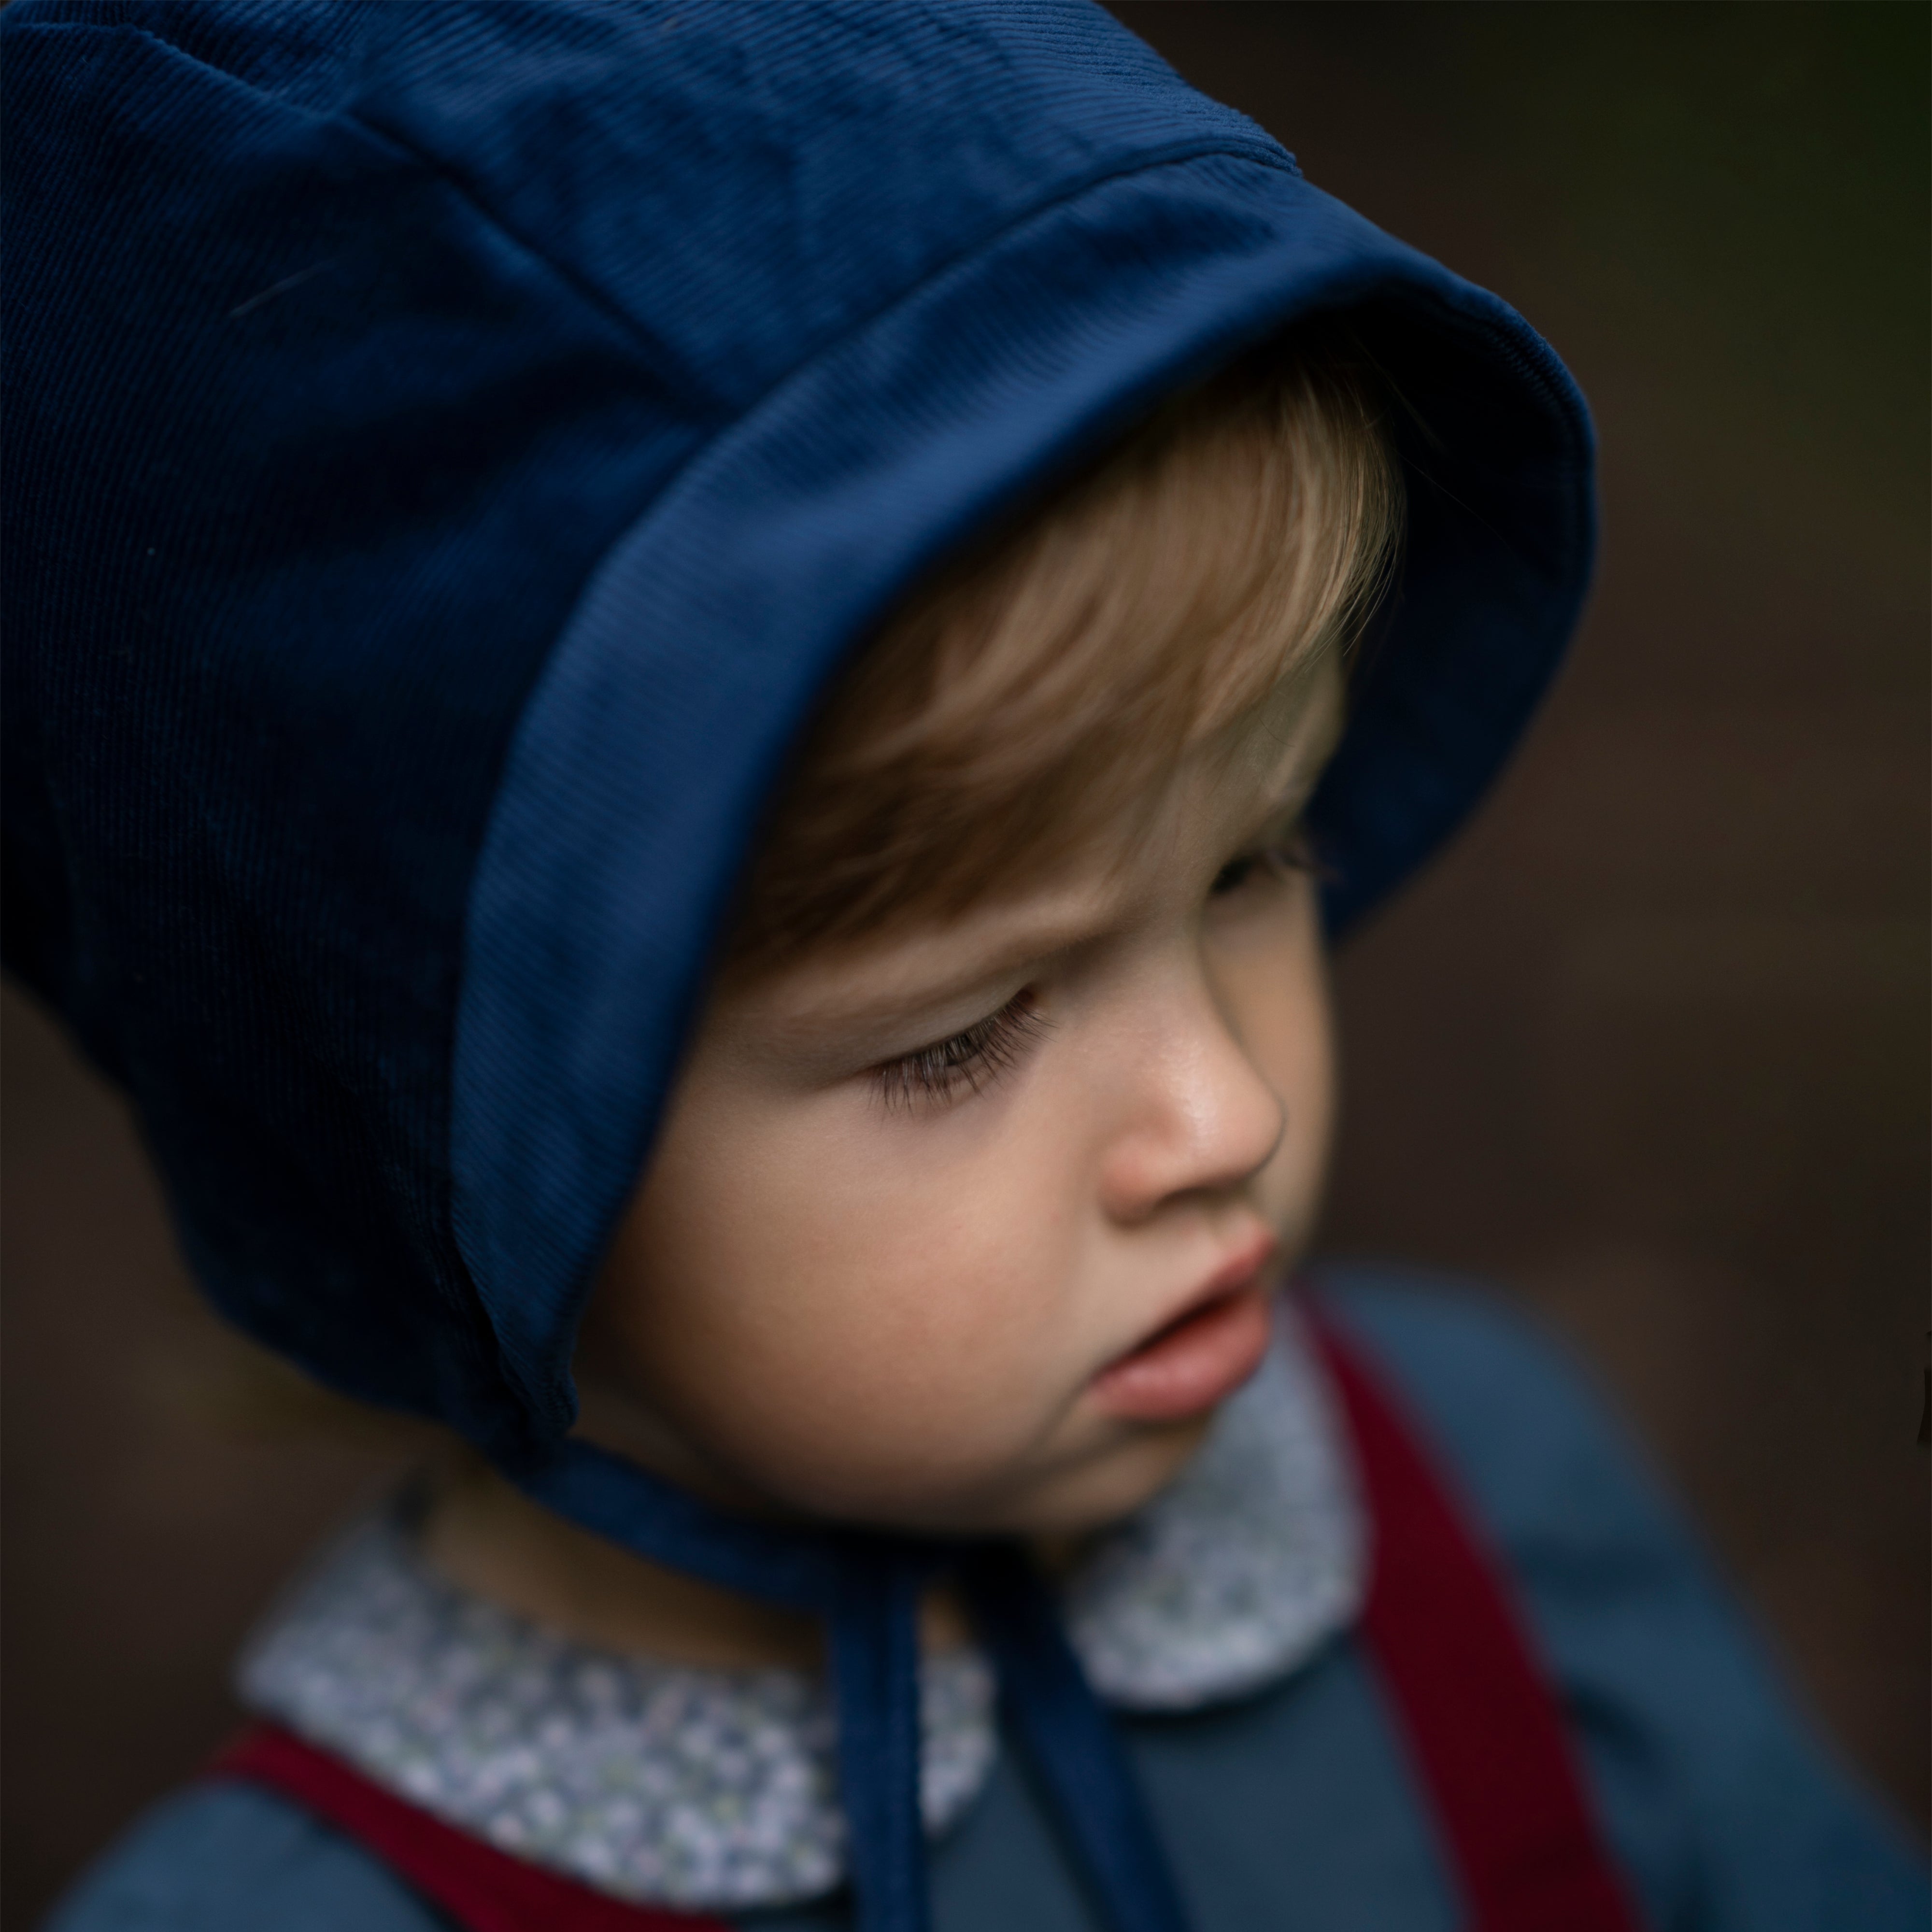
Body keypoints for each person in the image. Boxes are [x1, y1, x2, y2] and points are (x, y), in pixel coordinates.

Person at [6, 4, 1921, 1929]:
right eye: (958, 1034)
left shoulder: (1485, 1513)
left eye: (1253, 856)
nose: (1225, 1111)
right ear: (432, 1143)